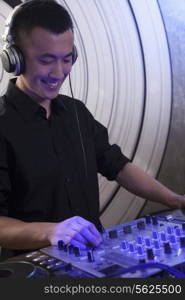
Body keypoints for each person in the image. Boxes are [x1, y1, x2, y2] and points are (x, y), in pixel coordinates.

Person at [0, 0, 184, 258]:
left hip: (93, 256)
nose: (59, 72)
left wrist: (176, 200)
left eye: (67, 59)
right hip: (33, 270)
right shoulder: (3, 125)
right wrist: (51, 231)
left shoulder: (76, 112)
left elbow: (118, 166)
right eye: (46, 60)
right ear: (14, 59)